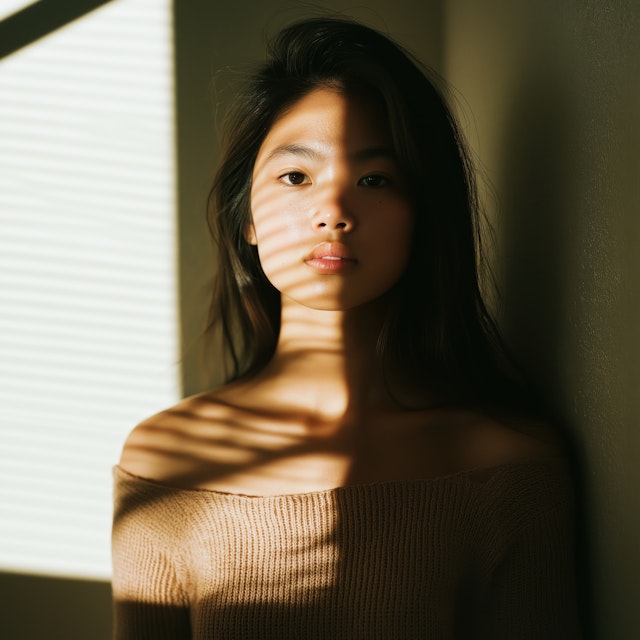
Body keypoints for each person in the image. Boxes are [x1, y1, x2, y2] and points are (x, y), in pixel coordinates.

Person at [111, 17, 582, 639]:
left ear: (423, 215)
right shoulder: (166, 460)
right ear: (246, 217)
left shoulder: (504, 466)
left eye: (374, 180)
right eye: (296, 177)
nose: (332, 212)